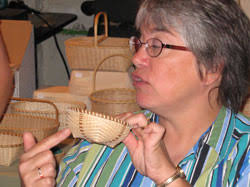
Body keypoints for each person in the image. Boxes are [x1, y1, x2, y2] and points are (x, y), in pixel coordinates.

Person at [19, 0, 250, 186]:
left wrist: (168, 178)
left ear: (212, 67)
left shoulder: (242, 159)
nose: (136, 58)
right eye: (139, 42)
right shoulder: (104, 145)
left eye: (157, 45)